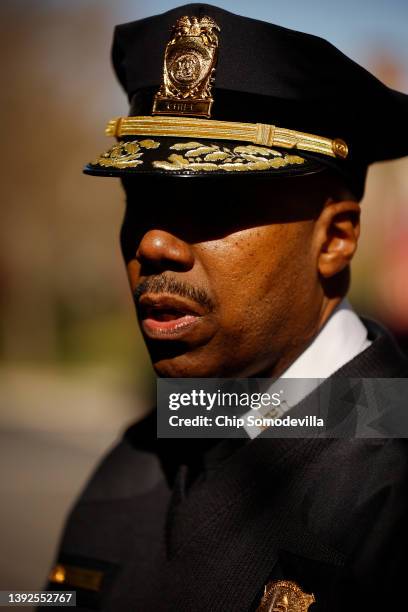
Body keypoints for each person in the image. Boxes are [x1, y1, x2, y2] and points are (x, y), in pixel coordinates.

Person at [42, 4, 408, 611]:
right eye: (141, 198)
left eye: (211, 202)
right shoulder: (134, 459)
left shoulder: (390, 485)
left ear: (335, 237)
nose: (152, 243)